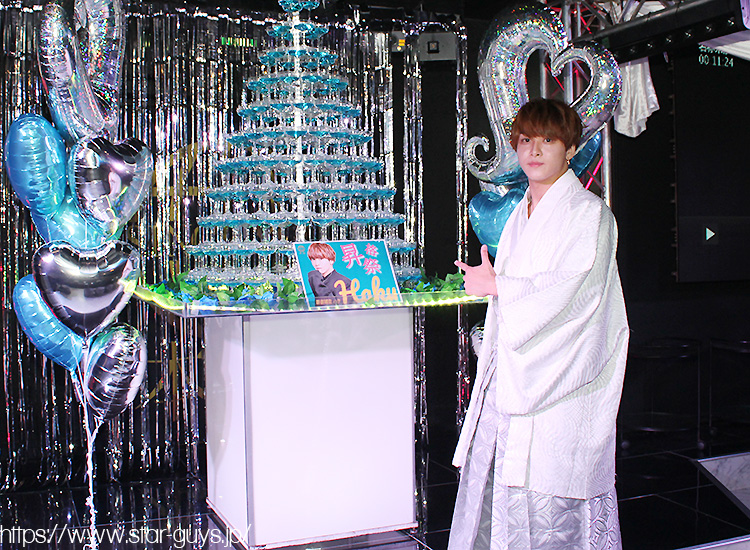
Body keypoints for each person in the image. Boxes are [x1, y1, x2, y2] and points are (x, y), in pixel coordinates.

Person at [451, 98, 629, 550]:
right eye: (526, 140)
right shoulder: (520, 214)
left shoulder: (589, 213)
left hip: (562, 382)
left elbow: (573, 289)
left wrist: (500, 286)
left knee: (557, 508)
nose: (533, 150)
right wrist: (498, 287)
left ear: (570, 149)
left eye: (548, 140)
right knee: (505, 501)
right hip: (516, 377)